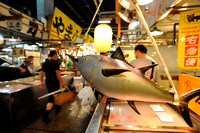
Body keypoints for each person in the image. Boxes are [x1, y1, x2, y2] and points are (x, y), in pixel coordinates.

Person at [40, 50, 65, 123]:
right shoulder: (55, 62)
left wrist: (41, 81)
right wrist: (61, 83)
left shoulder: (46, 62)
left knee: (54, 96)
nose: (57, 56)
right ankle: (45, 116)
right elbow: (57, 73)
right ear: (54, 55)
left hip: (48, 82)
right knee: (51, 99)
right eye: (56, 55)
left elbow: (41, 72)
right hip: (54, 83)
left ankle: (57, 107)